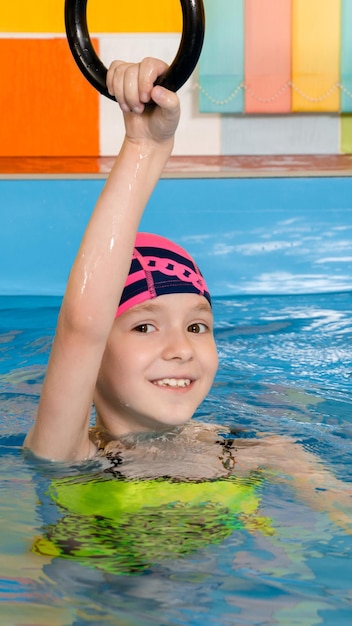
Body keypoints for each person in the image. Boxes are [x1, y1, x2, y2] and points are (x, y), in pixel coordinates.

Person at [24, 58, 352, 536]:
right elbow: (82, 325)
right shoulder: (67, 454)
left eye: (197, 326)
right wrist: (144, 148)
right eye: (144, 325)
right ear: (95, 357)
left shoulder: (258, 452)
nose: (181, 349)